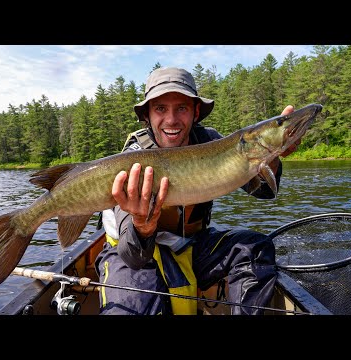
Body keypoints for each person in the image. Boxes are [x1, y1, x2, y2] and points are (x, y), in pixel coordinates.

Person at [94, 67, 300, 315]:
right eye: (160, 108)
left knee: (254, 248)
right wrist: (142, 225)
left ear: (196, 112)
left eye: (181, 107)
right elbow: (133, 257)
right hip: (134, 253)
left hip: (191, 246)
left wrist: (272, 154)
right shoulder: (131, 162)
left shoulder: (211, 142)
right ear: (147, 115)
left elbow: (264, 192)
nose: (171, 120)